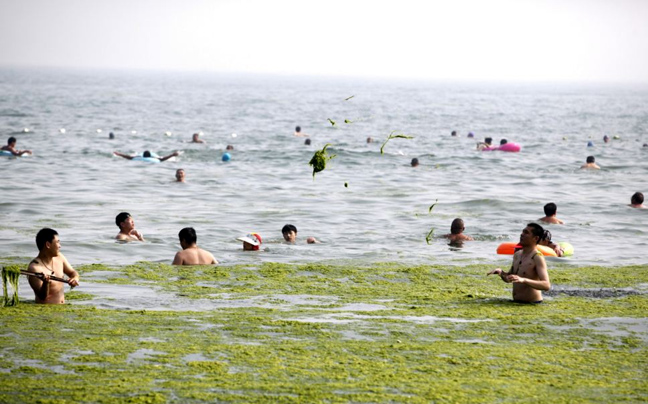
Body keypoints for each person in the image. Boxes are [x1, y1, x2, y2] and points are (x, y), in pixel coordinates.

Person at [487, 223, 551, 303]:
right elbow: (509, 279)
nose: (522, 234)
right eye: (522, 232)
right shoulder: (517, 254)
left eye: (526, 233)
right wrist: (501, 273)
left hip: (533, 304)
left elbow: (546, 285)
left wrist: (524, 280)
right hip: (515, 303)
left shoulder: (537, 257)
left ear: (535, 238)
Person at [27, 228, 80, 304]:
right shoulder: (34, 268)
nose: (60, 246)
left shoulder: (60, 257)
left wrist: (75, 278)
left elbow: (72, 272)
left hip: (61, 311)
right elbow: (42, 297)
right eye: (57, 242)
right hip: (45, 312)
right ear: (48, 245)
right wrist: (46, 283)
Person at [113, 150, 179, 162]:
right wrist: (173, 155)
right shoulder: (156, 159)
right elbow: (164, 159)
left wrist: (119, 154)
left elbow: (127, 157)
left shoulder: (136, 158)